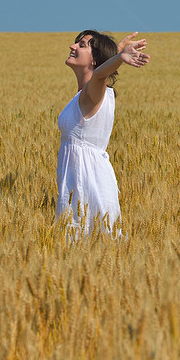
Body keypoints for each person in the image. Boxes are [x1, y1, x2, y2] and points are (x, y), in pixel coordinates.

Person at [56, 30, 149, 241]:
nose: (72, 46)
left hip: (86, 185)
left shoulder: (94, 92)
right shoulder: (89, 93)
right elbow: (98, 71)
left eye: (81, 45)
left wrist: (117, 58)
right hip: (84, 181)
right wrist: (116, 53)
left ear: (95, 60)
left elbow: (99, 74)